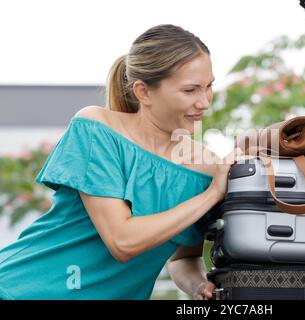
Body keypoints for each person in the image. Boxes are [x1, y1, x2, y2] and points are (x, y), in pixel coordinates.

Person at [0, 24, 244, 300]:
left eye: (208, 86)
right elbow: (122, 241)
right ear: (143, 92)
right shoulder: (97, 129)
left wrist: (198, 285)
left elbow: (181, 259)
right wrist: (212, 195)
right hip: (19, 291)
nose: (204, 102)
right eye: (190, 90)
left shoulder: (208, 169)